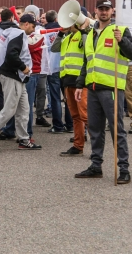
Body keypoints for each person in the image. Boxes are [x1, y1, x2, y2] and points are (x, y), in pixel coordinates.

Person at [75, 0, 132, 183]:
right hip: (93, 88)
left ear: (112, 11)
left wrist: (122, 41)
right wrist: (80, 85)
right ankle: (96, 166)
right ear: (96, 11)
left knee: (117, 130)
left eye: (107, 9)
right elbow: (88, 61)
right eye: (101, 9)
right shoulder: (91, 33)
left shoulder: (120, 30)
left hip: (112, 88)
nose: (104, 12)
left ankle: (124, 169)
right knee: (95, 129)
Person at [0, 14, 41, 151]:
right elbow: (11, 54)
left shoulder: (11, 31)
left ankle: (24, 139)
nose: (33, 30)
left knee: (24, 109)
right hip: (14, 76)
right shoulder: (19, 34)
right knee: (9, 110)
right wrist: (24, 67)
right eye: (33, 26)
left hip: (15, 77)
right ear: (26, 24)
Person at [51, 14, 90, 156]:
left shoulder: (84, 35)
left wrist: (84, 30)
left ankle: (98, 148)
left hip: (80, 81)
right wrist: (61, 32)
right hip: (67, 81)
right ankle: (78, 146)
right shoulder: (66, 38)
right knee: (75, 116)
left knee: (85, 115)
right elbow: (54, 48)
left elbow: (87, 48)